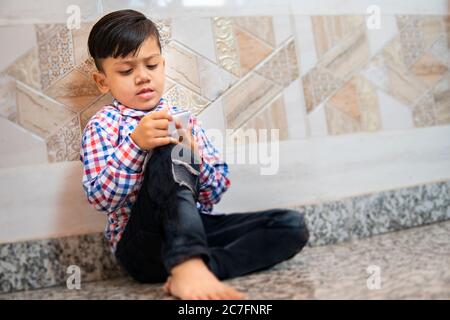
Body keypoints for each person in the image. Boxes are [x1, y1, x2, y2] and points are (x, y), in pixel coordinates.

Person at [80, 9, 309, 300]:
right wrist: (135, 145)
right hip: (142, 247)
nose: (142, 77)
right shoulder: (102, 126)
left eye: (151, 65)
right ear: (103, 81)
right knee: (167, 148)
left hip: (193, 229)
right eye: (126, 71)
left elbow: (213, 195)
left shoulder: (185, 120)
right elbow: (101, 199)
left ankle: (195, 269)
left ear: (162, 65)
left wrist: (194, 157)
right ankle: (188, 263)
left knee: (290, 226)